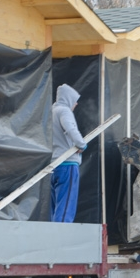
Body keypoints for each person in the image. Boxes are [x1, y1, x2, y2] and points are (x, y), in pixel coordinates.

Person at [50, 83, 87, 223]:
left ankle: (53, 235)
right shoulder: (64, 111)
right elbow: (71, 129)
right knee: (66, 205)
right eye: (74, 100)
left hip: (53, 165)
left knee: (56, 205)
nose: (76, 103)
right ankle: (61, 236)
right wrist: (81, 145)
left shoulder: (51, 111)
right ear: (68, 99)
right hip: (67, 163)